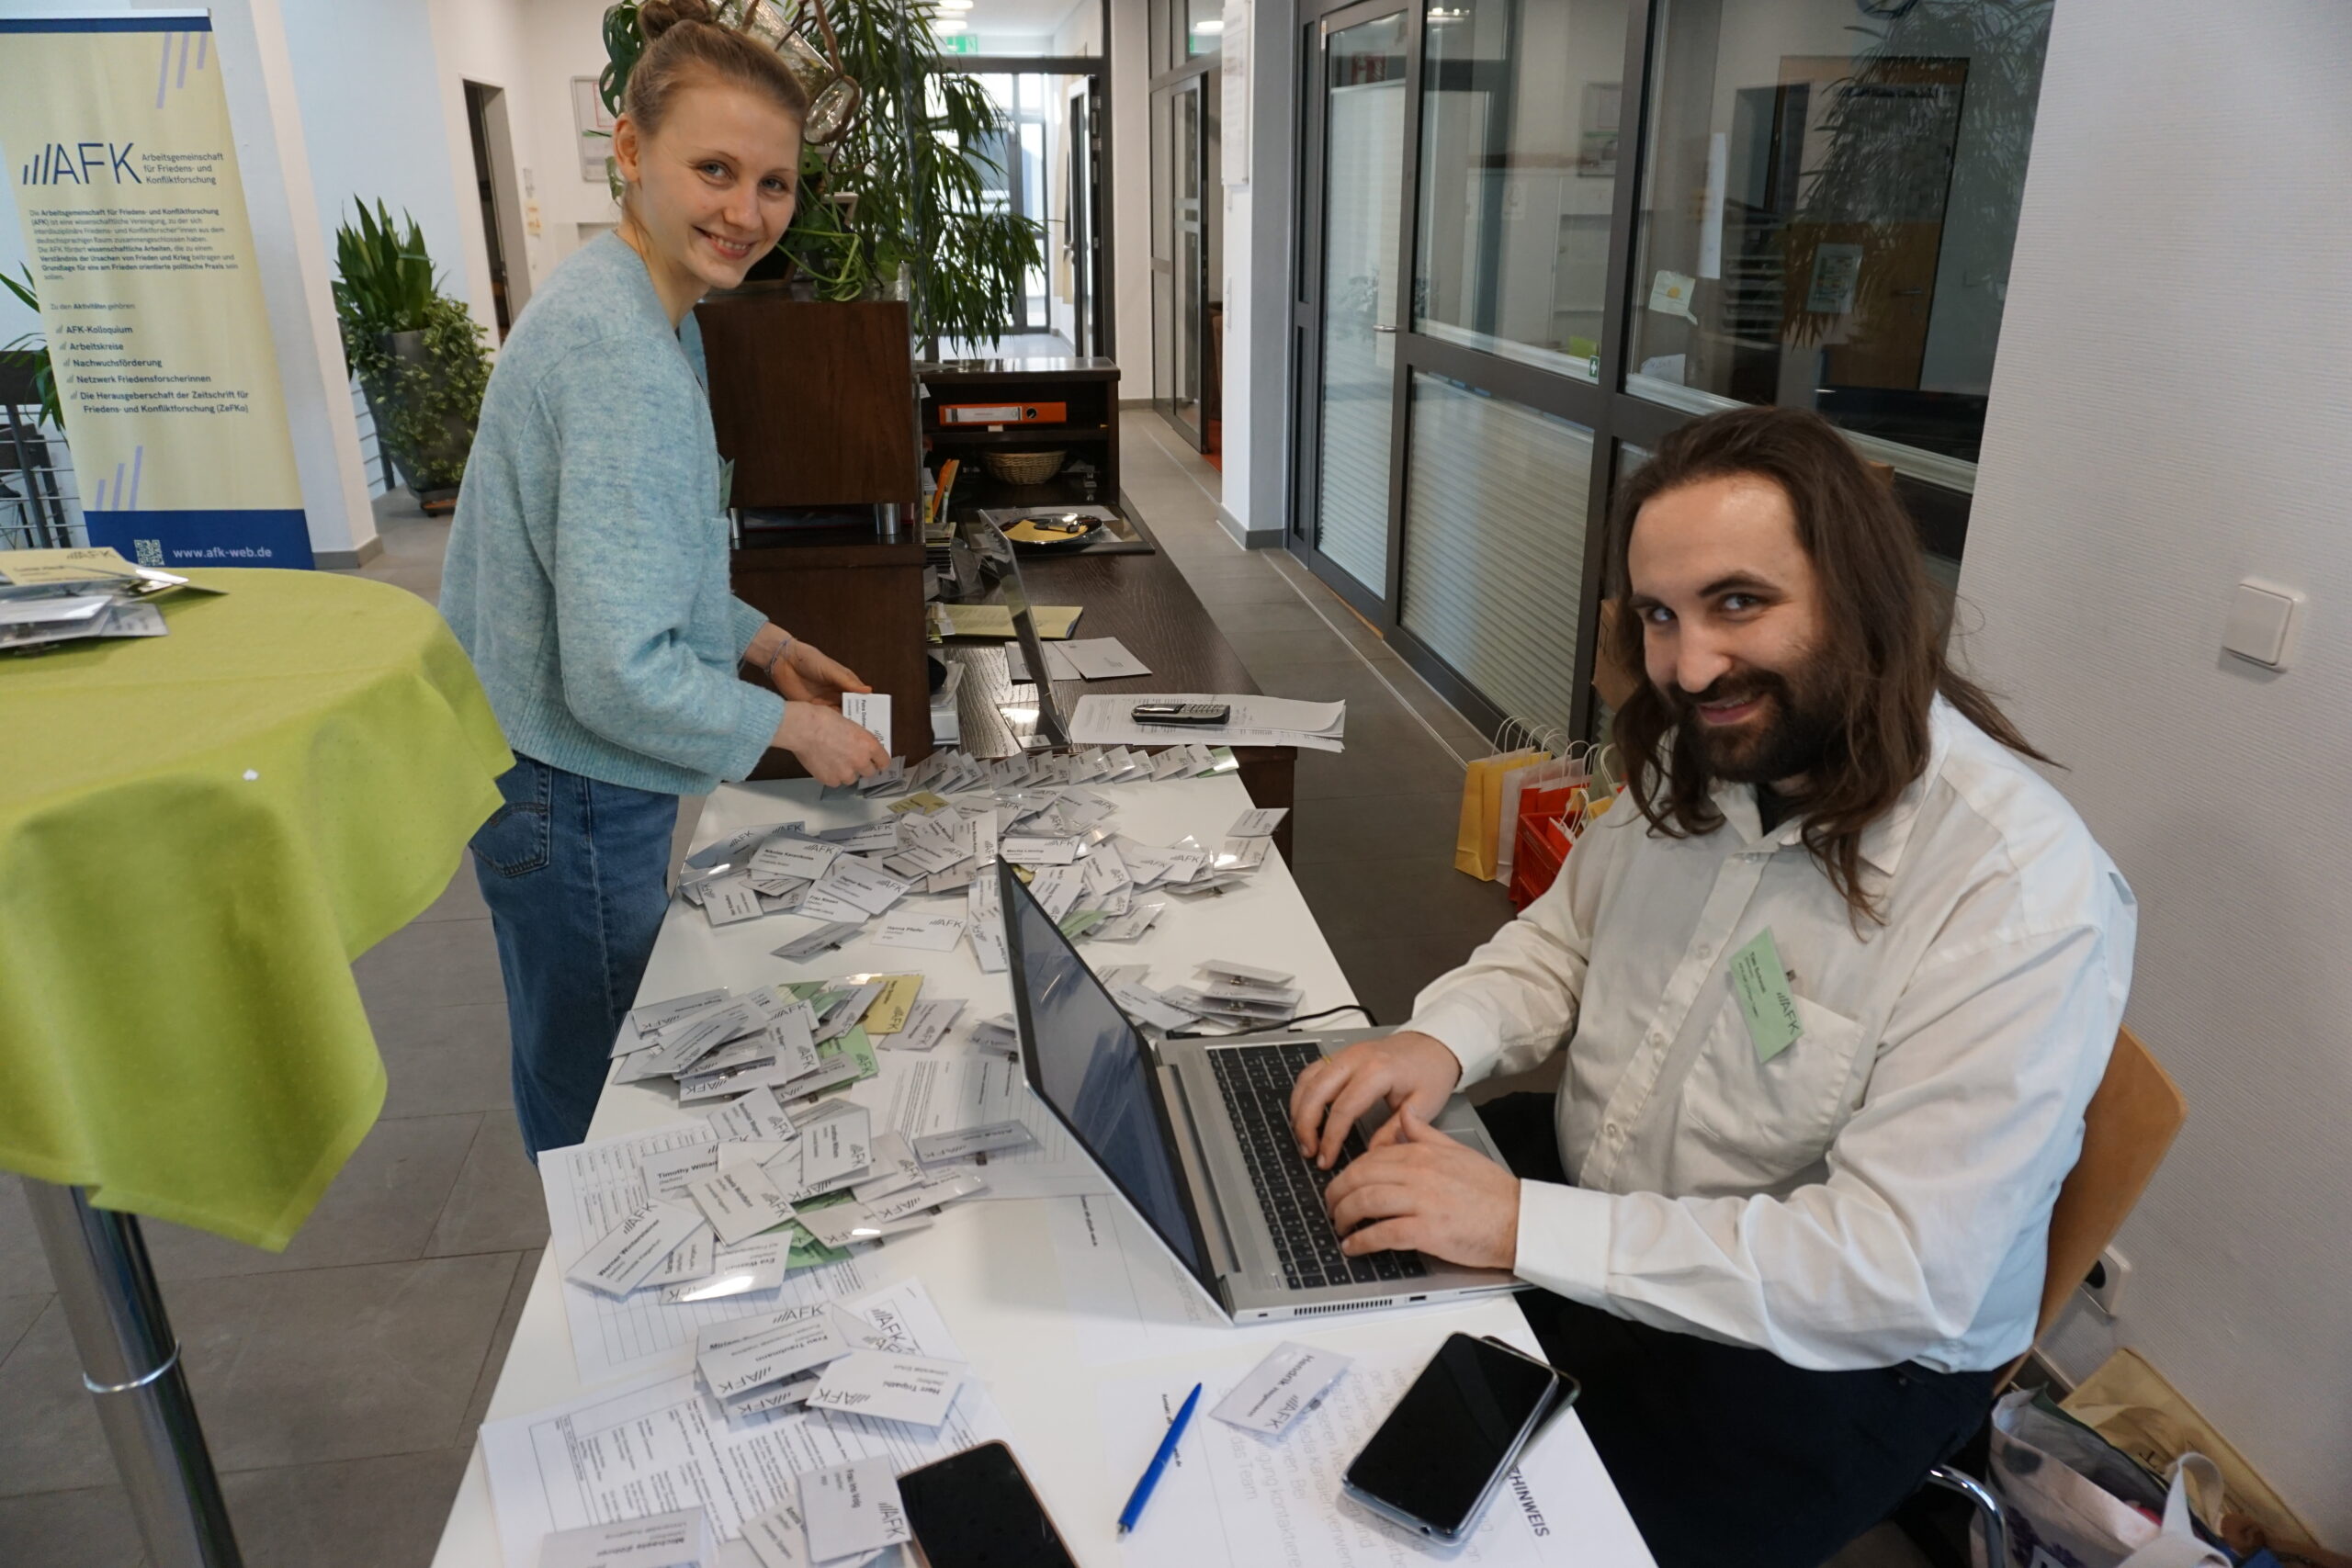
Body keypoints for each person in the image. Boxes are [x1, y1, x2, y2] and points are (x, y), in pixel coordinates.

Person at [1289, 406, 2136, 1567]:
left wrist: (1521, 1224)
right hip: (1608, 1200)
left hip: (1818, 1350)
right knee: (1311, 1288)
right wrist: (1437, 1040)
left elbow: (1893, 1271)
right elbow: (1567, 940)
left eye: (1739, 602)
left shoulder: (2015, 890)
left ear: (1862, 602)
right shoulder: (1711, 756)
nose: (1688, 667)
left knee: (1486, 1538)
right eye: (1659, 615)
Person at [439, 0, 888, 1159]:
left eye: (774, 184)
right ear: (632, 151)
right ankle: (599, 1269)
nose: (746, 213)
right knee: (607, 1103)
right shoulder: (623, 356)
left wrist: (762, 641)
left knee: (569, 1057)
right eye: (715, 171)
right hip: (571, 783)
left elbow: (621, 562)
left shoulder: (634, 297)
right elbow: (617, 671)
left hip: (531, 763)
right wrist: (794, 728)